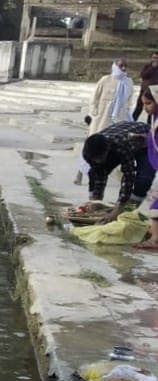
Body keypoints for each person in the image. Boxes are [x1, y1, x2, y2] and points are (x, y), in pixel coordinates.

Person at [75, 59, 136, 185]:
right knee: (92, 147)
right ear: (115, 66)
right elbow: (94, 97)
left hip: (118, 120)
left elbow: (129, 101)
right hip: (101, 120)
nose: (123, 68)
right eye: (121, 66)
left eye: (125, 66)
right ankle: (80, 173)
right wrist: (94, 112)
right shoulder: (105, 80)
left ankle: (100, 176)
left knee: (111, 149)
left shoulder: (128, 82)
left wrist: (127, 116)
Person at [82, 120, 154, 224]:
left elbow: (128, 177)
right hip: (123, 133)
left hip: (144, 141)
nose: (97, 162)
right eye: (94, 160)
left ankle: (127, 213)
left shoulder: (121, 146)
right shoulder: (89, 151)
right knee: (95, 172)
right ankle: (102, 207)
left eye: (100, 159)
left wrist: (118, 209)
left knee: (143, 180)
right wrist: (94, 201)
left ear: (107, 151)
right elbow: (98, 173)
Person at [134, 85, 158, 250]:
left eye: (148, 103)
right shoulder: (154, 120)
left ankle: (155, 239)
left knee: (156, 204)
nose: (145, 108)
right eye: (143, 104)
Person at [132, 53, 158, 121]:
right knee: (139, 107)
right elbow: (143, 75)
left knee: (152, 109)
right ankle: (133, 121)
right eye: (154, 57)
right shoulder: (147, 66)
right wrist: (152, 67)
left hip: (155, 92)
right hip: (144, 90)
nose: (155, 59)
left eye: (157, 58)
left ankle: (149, 125)